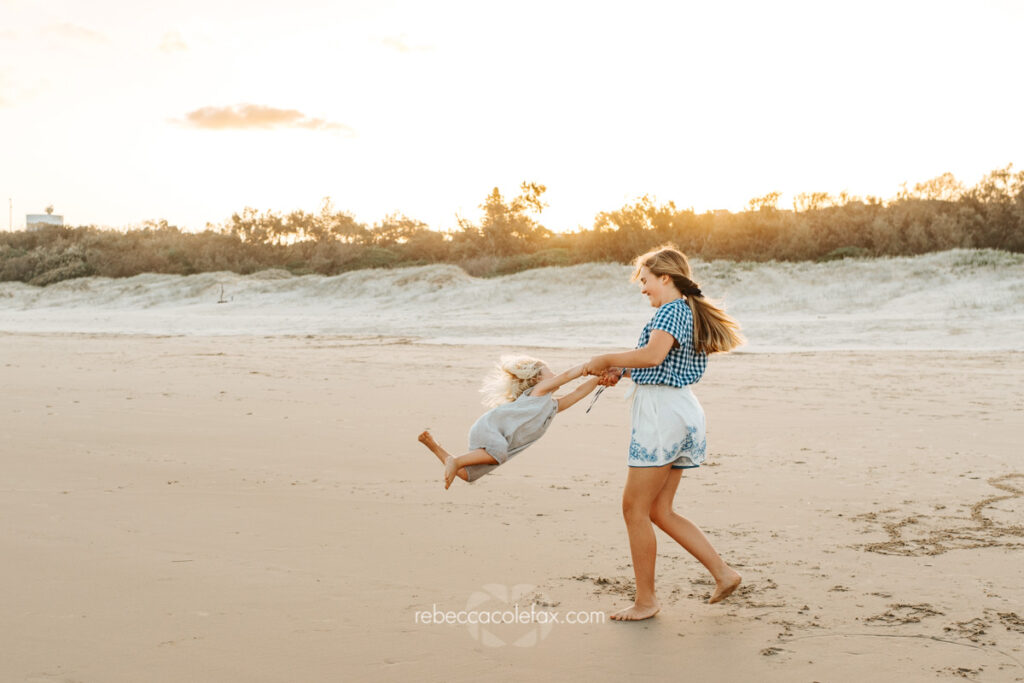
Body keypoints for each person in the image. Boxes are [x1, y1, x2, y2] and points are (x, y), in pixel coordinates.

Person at [583, 244, 745, 621]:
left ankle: (646, 601)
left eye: (645, 281)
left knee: (634, 508)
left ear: (665, 278)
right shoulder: (685, 310)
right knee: (659, 509)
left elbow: (653, 356)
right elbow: (659, 363)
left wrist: (608, 358)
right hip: (679, 409)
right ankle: (724, 573)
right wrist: (624, 371)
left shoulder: (672, 311)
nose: (643, 289)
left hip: (661, 416)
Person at [418, 356, 608, 489]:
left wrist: (598, 380)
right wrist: (586, 367)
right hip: (490, 428)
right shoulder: (538, 392)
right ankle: (456, 460)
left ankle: (435, 448)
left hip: (499, 441)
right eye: (550, 371)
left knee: (468, 475)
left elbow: (577, 394)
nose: (555, 374)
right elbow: (566, 377)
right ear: (537, 379)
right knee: (498, 454)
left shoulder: (551, 407)